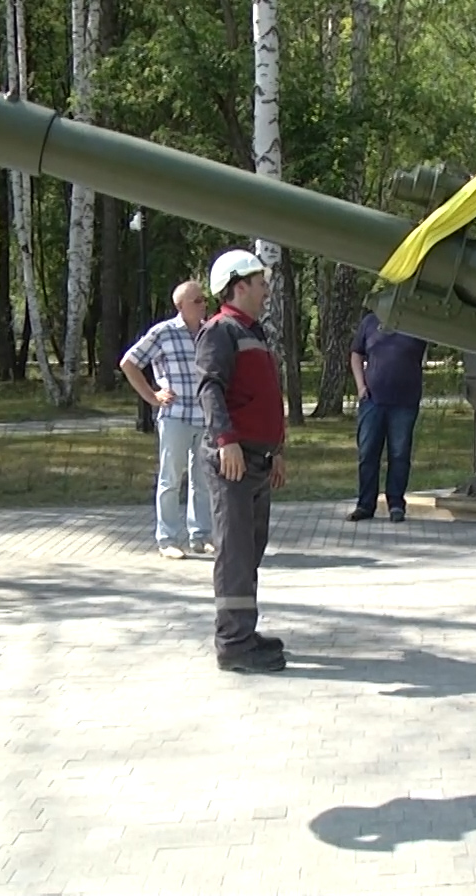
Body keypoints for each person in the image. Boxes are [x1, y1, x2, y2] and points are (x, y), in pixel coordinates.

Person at [196, 249, 289, 674]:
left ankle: (244, 632)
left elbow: (268, 396)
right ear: (238, 286)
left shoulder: (255, 331)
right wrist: (226, 440)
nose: (266, 288)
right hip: (233, 461)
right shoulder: (220, 331)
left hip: (257, 460)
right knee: (234, 554)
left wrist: (278, 450)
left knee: (249, 550)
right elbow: (210, 389)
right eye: (259, 281)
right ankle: (233, 645)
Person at [120, 280, 216, 560]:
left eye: (203, 300)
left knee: (204, 479)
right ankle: (168, 539)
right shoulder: (163, 332)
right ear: (180, 306)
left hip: (205, 416)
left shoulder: (210, 332)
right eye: (196, 301)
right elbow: (129, 362)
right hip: (175, 416)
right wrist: (152, 396)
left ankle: (201, 536)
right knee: (171, 479)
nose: (203, 305)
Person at [348, 310, 428, 523]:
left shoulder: (416, 322)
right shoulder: (371, 321)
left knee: (399, 454)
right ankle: (365, 505)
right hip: (373, 400)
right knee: (367, 454)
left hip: (405, 401)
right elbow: (356, 353)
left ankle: (396, 504)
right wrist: (360, 387)